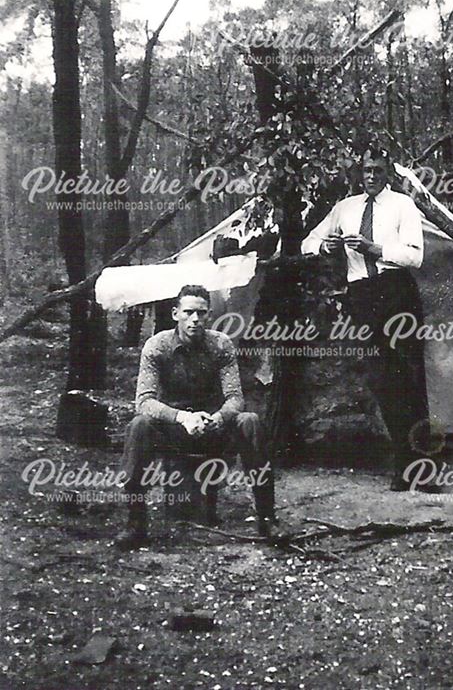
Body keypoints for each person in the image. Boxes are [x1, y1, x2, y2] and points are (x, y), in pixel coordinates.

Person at [302, 146, 433, 490]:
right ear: (358, 174)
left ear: (388, 171)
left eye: (377, 170)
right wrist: (325, 246)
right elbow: (308, 241)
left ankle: (426, 467)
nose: (371, 176)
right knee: (382, 380)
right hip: (362, 296)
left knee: (410, 377)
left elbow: (415, 256)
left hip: (396, 290)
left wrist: (374, 249)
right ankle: (402, 464)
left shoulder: (402, 205)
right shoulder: (345, 208)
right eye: (365, 170)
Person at [115, 284, 279, 549]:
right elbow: (144, 401)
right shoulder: (157, 346)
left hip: (212, 426)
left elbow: (235, 397)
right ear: (175, 313)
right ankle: (135, 522)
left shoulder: (220, 345)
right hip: (174, 428)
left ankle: (267, 517)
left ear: (209, 315)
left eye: (201, 313)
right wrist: (181, 417)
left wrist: (217, 418)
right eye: (189, 312)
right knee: (139, 426)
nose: (195, 320)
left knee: (250, 421)